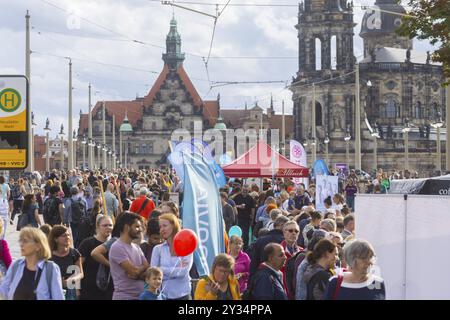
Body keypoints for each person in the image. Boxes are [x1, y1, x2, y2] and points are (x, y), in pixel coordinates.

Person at [0, 227, 64, 300]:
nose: (21, 244)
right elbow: (3, 293)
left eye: (25, 241)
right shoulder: (16, 265)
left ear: (38, 246)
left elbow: (58, 297)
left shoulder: (50, 269)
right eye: (20, 241)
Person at [151, 213, 193, 300]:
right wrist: (176, 270)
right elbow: (153, 273)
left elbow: (183, 272)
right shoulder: (158, 249)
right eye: (160, 227)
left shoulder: (186, 247)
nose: (162, 229)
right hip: (164, 296)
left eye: (165, 226)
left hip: (183, 295)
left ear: (174, 226)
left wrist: (162, 269)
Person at [109, 212, 149, 300]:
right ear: (127, 227)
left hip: (141, 296)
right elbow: (133, 271)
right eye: (137, 226)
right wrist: (139, 271)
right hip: (125, 296)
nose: (140, 230)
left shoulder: (136, 247)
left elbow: (146, 266)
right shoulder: (117, 247)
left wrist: (138, 272)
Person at [78, 215, 114, 300]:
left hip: (109, 290)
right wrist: (75, 289)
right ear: (97, 227)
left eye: (110, 225)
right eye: (105, 225)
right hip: (89, 290)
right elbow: (75, 266)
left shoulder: (115, 245)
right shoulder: (87, 243)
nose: (108, 228)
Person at [48, 225, 84, 300]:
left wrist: (71, 280)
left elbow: (80, 273)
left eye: (68, 235)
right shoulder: (48, 256)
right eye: (63, 236)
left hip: (71, 290)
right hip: (53, 289)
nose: (67, 237)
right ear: (56, 239)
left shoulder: (74, 253)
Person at [281, 220, 302, 299]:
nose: (293, 233)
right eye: (290, 230)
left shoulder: (302, 253)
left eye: (296, 231)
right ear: (284, 233)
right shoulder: (278, 251)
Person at [232, 186, 256, 250]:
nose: (245, 191)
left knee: (245, 234)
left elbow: (253, 209)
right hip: (238, 218)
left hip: (247, 218)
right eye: (243, 190)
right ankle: (237, 246)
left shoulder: (250, 198)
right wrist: (239, 206)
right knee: (238, 233)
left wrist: (252, 218)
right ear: (241, 190)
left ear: (248, 191)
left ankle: (245, 248)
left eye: (246, 190)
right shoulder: (237, 197)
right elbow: (233, 206)